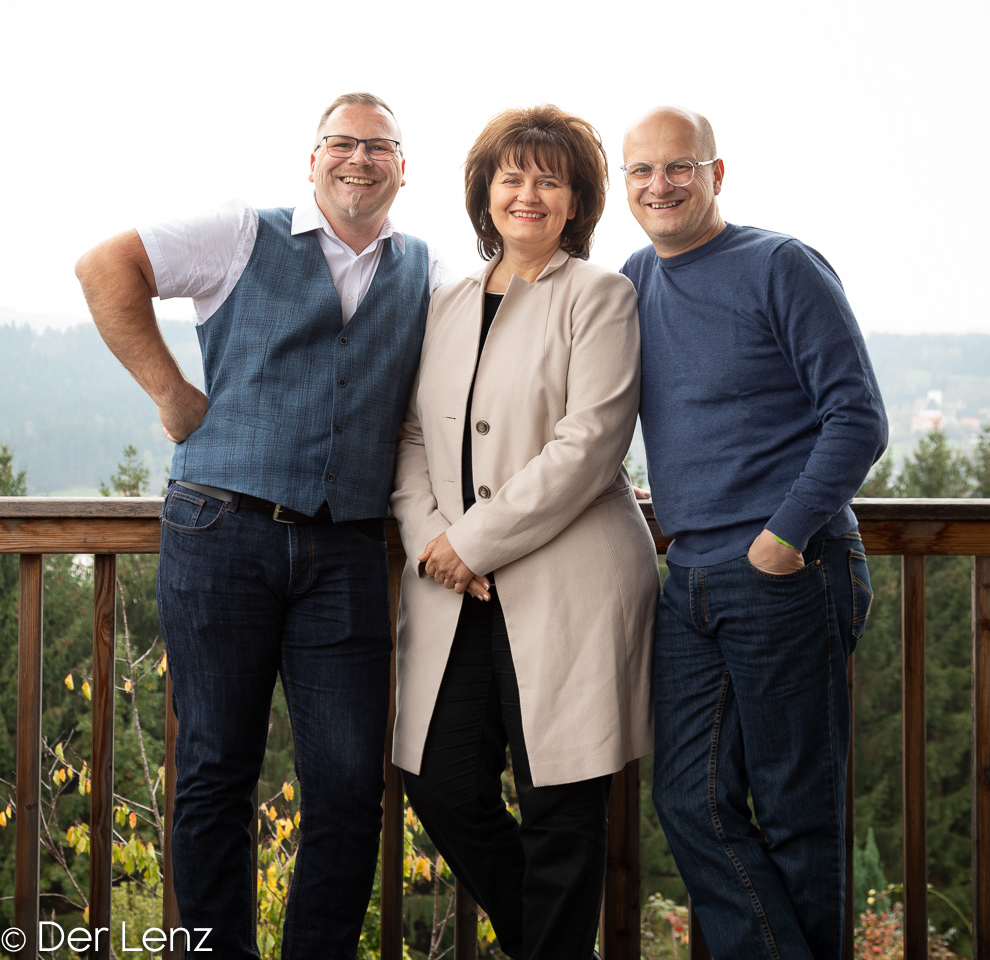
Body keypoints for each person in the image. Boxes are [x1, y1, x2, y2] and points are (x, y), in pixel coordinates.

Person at [75, 92, 440, 960]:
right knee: (215, 772)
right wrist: (172, 393)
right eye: (341, 143)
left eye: (379, 147)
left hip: (347, 546)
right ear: (312, 161)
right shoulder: (242, 233)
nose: (359, 158)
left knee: (349, 785)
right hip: (220, 531)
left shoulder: (424, 267)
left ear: (403, 167)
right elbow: (103, 266)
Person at [389, 105, 659, 960]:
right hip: (454, 589)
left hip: (570, 584)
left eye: (550, 180)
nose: (528, 194)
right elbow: (411, 437)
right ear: (485, 193)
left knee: (561, 808)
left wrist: (471, 544)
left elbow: (590, 444)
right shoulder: (445, 302)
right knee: (439, 783)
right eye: (511, 177)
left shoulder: (600, 296)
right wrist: (432, 540)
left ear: (577, 202)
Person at [620, 107, 888, 960]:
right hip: (690, 578)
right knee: (687, 800)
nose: (659, 185)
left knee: (795, 813)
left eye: (679, 167)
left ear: (716, 173)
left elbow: (859, 417)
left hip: (787, 569)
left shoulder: (780, 264)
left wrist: (784, 536)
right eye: (641, 171)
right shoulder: (635, 277)